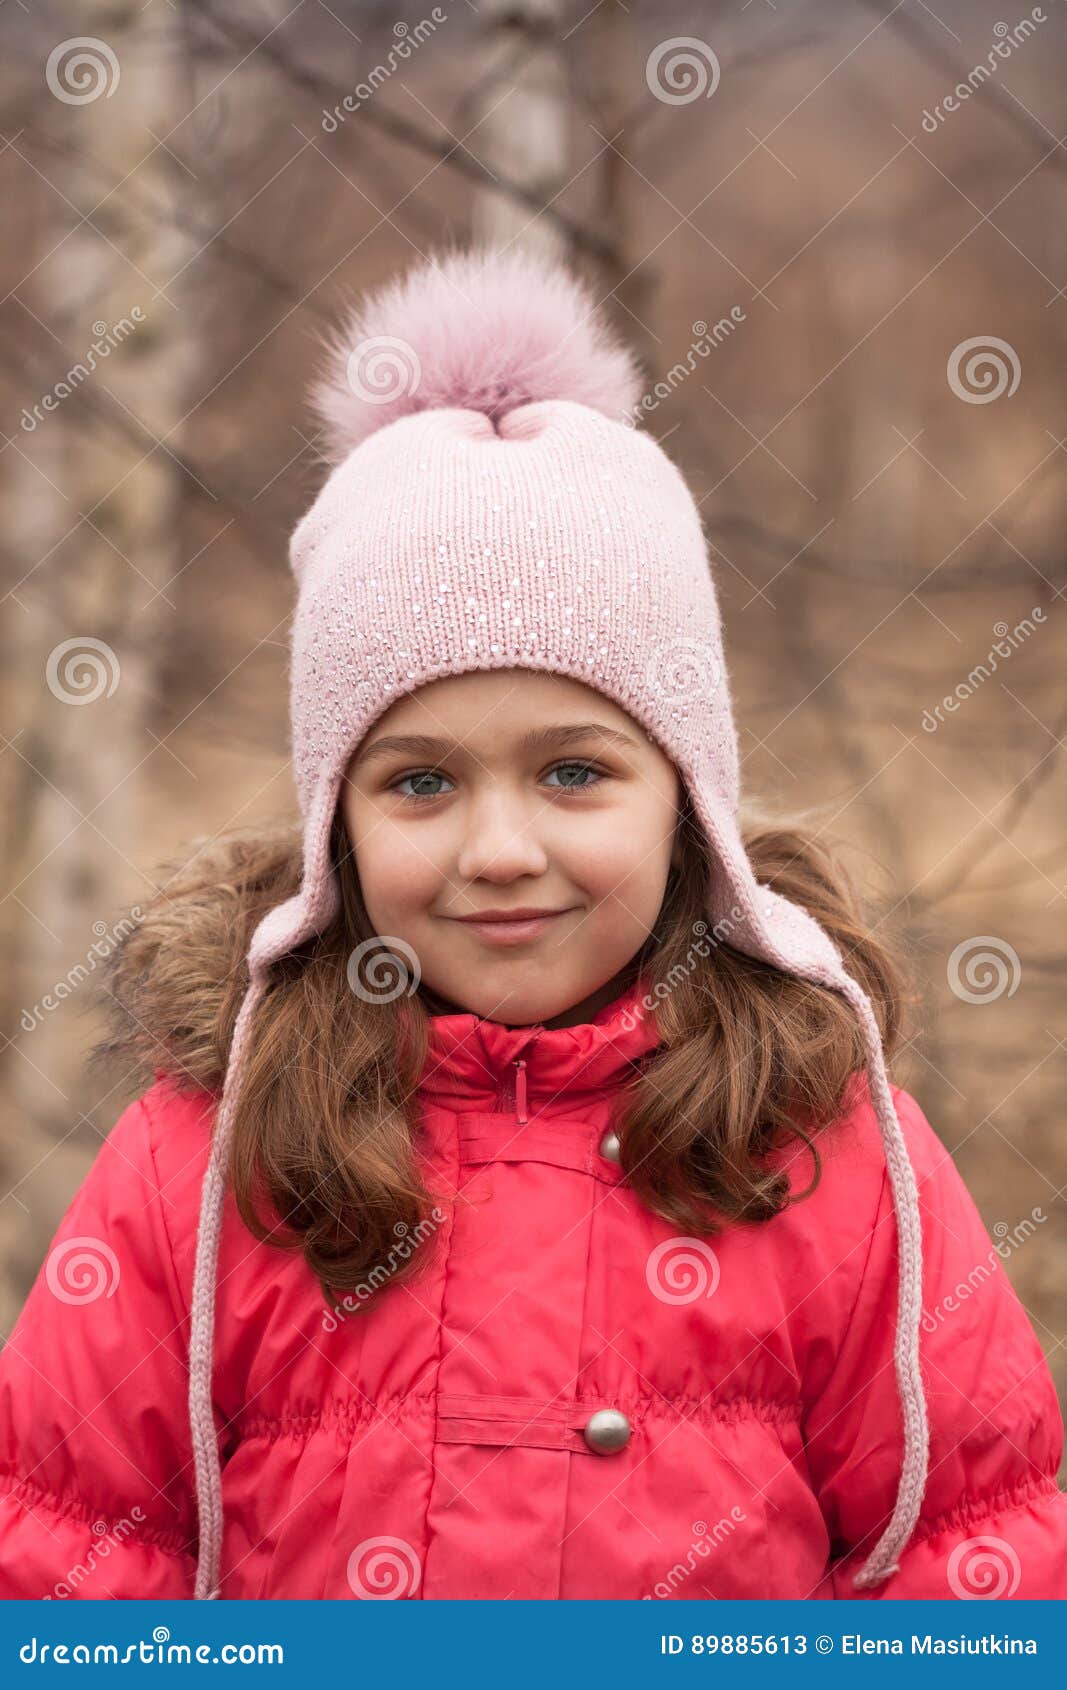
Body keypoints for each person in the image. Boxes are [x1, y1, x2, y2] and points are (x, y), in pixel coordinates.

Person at [1, 247, 1064, 1602]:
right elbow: (65, 1558)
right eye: (422, 781)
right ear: (339, 816)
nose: (500, 852)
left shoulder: (827, 1145)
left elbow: (975, 1553)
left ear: (688, 796)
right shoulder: (207, 1155)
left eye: (574, 770)